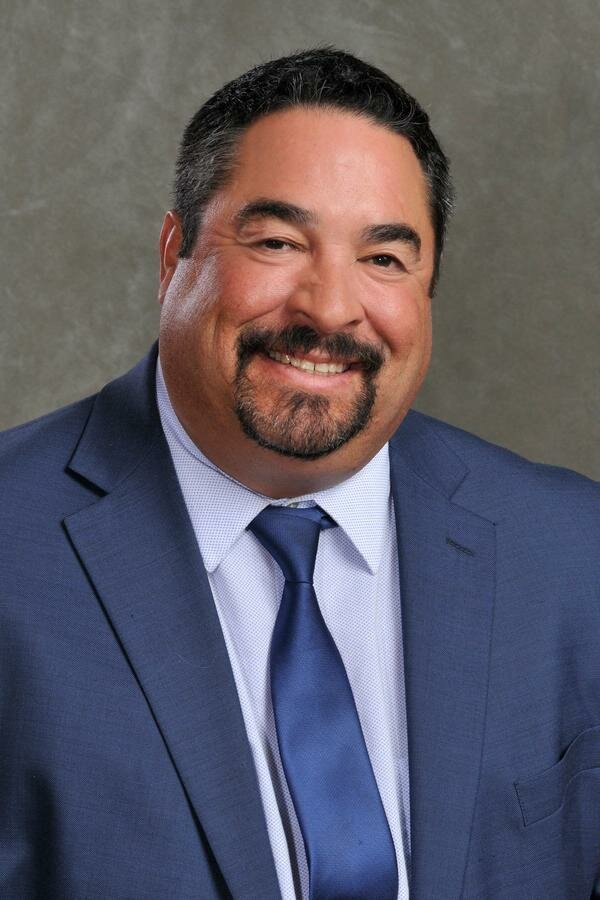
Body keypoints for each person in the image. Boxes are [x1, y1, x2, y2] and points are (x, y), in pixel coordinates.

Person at [0, 47, 598, 900]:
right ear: (173, 254)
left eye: (384, 258)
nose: (329, 308)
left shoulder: (574, 556)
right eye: (278, 242)